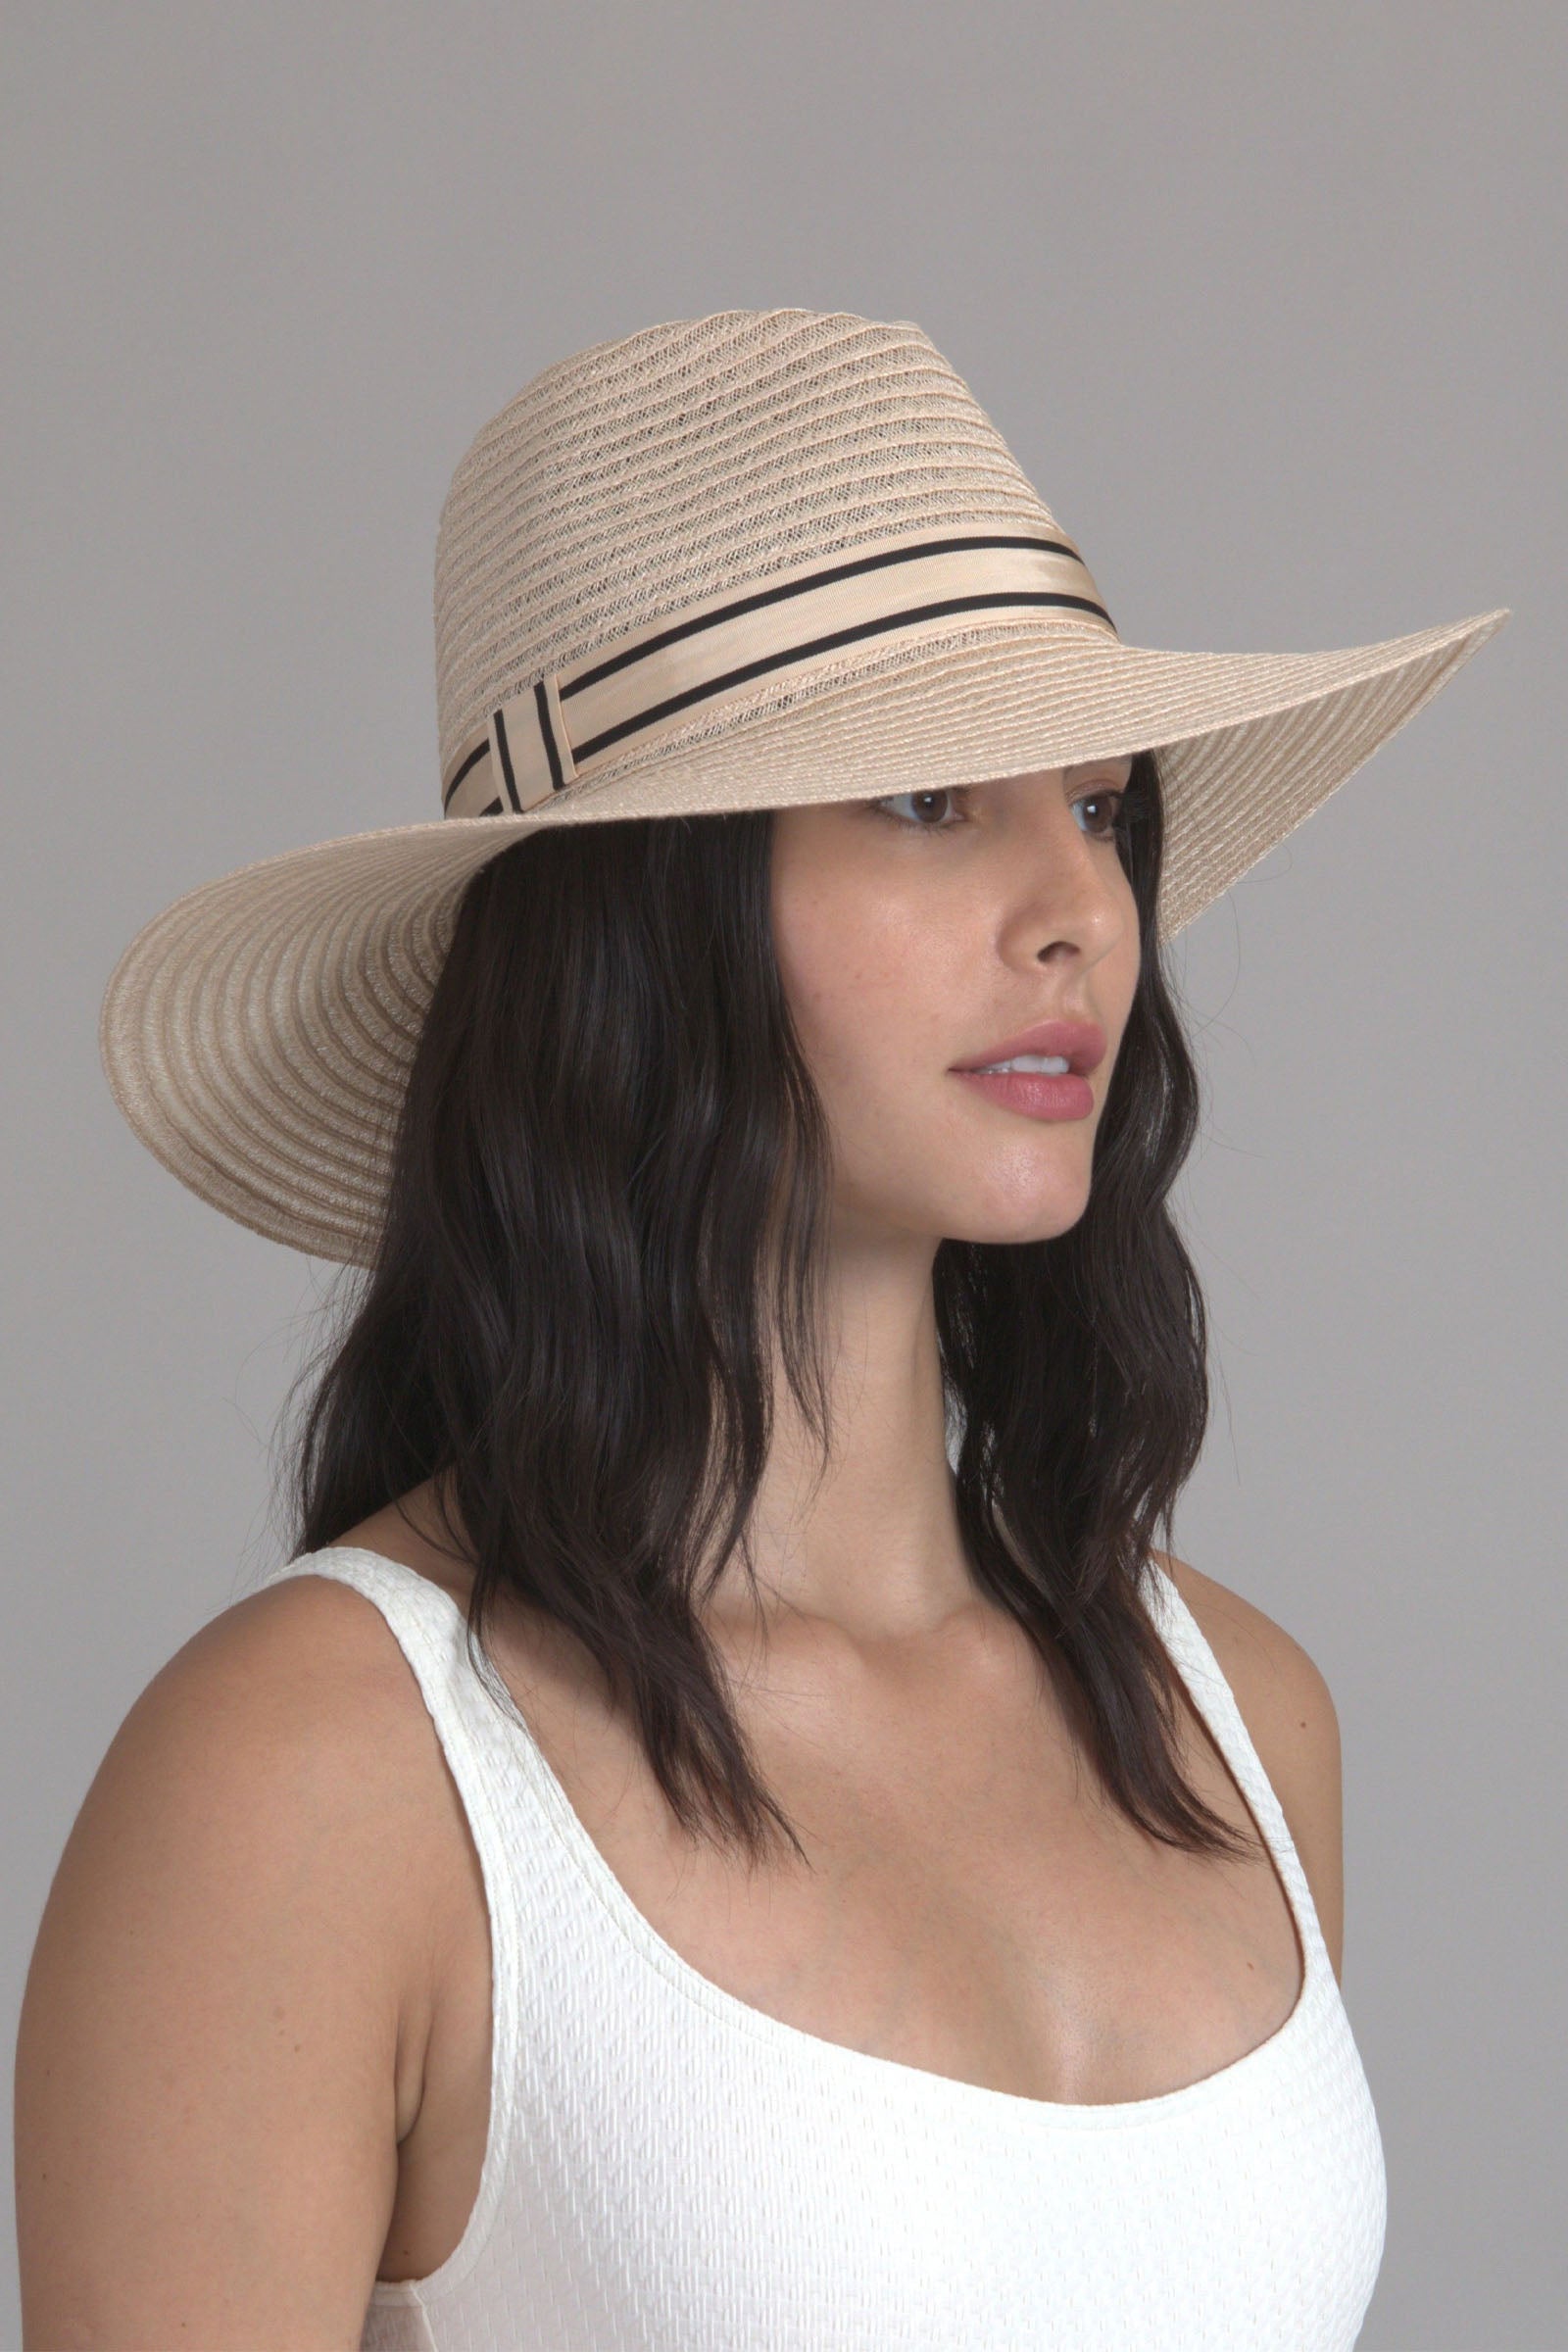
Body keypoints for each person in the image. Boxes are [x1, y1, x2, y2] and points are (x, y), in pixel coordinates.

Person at [17, 309, 1507, 2350]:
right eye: (921, 802)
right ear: (640, 919)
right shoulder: (319, 1776)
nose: (1077, 904)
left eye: (1097, 807)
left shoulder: (1233, 1716)